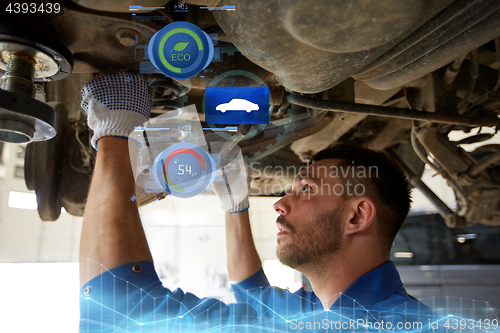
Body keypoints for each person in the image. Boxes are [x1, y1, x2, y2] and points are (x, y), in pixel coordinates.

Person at [78, 71, 439, 332]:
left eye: (306, 190)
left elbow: (120, 311)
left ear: (357, 216)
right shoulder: (325, 305)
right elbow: (253, 296)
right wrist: (236, 206)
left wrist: (114, 135)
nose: (280, 204)